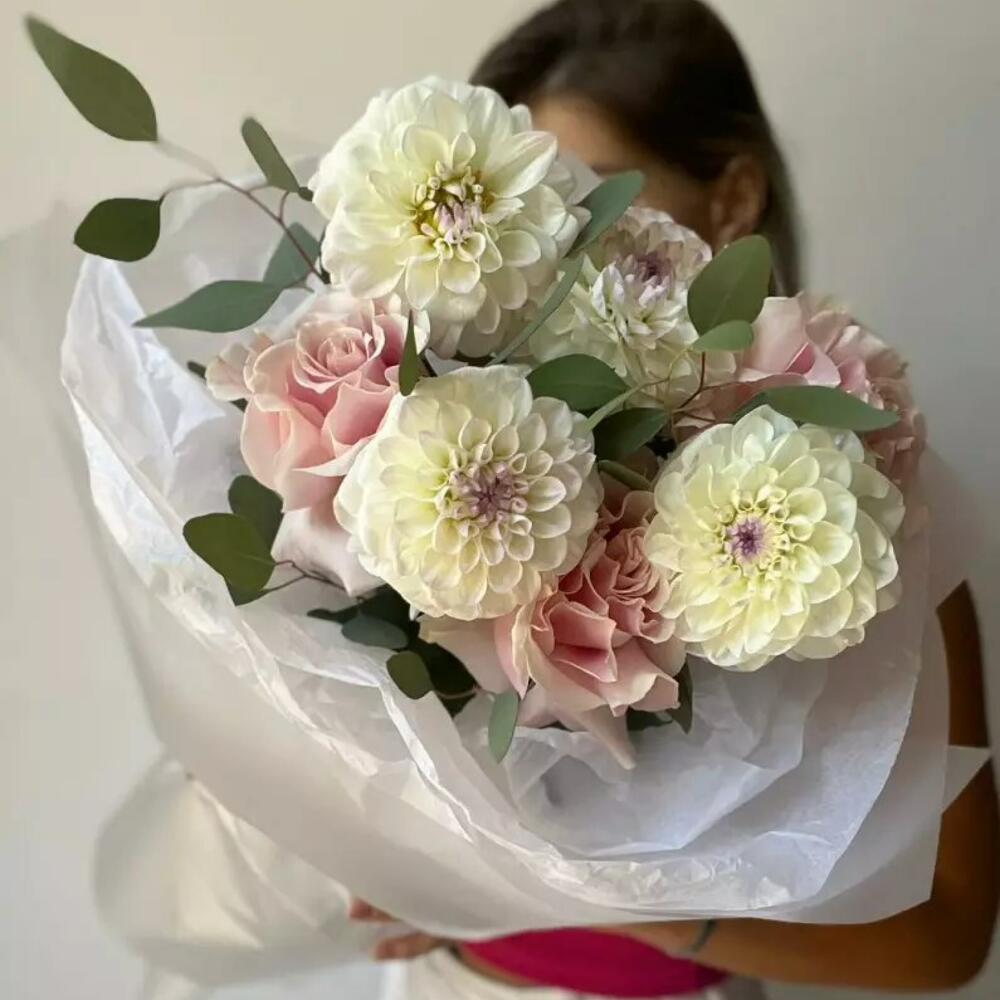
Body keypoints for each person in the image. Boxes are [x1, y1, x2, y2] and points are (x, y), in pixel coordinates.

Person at [358, 2, 1000, 997]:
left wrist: (618, 900)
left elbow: (941, 942)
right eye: (517, 209)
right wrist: (394, 857)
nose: (547, 246)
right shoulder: (443, 459)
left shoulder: (858, 515)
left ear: (733, 197)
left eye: (586, 196)